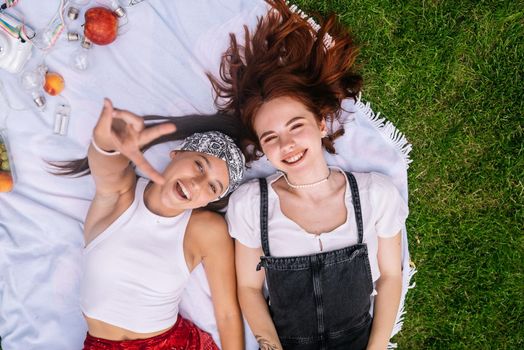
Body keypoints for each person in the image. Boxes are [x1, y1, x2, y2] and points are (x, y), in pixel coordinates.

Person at [208, 1, 409, 349]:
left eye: (295, 126)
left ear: (319, 124)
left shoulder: (375, 194)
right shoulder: (252, 204)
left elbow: (391, 276)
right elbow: (249, 288)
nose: (286, 144)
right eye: (270, 138)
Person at [58, 99, 245, 350]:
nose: (198, 183)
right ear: (177, 152)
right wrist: (108, 141)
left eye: (213, 187)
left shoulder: (207, 230)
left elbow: (227, 314)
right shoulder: (122, 195)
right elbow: (106, 164)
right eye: (200, 164)